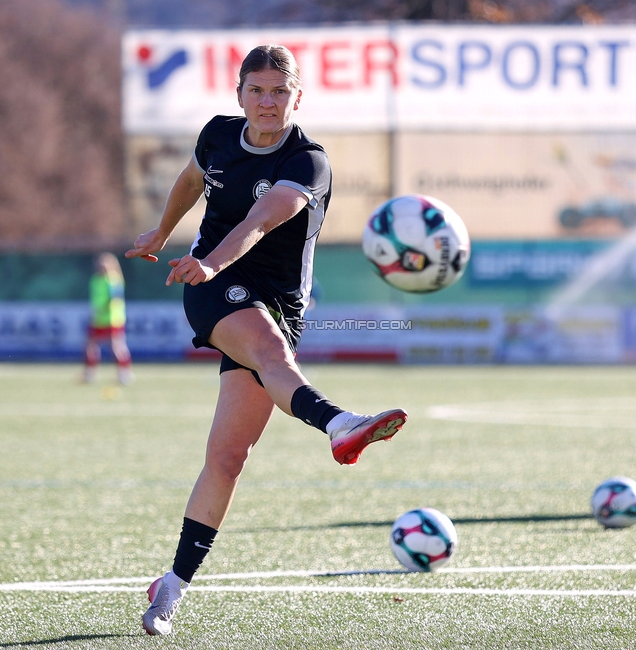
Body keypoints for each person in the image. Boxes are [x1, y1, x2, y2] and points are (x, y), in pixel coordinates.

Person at [126, 44, 408, 637]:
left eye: (280, 91)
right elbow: (191, 179)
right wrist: (165, 231)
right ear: (239, 95)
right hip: (213, 286)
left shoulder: (309, 162)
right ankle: (339, 425)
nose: (268, 102)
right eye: (257, 90)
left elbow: (262, 222)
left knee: (228, 458)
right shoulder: (218, 136)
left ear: (296, 98)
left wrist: (213, 259)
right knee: (271, 356)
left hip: (275, 301)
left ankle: (170, 587)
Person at [83, 252, 133, 385]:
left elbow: (115, 298)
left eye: (104, 263)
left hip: (112, 319)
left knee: (116, 347)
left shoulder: (113, 279)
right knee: (90, 345)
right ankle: (90, 373)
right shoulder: (95, 280)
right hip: (97, 319)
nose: (101, 266)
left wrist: (104, 308)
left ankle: (124, 374)